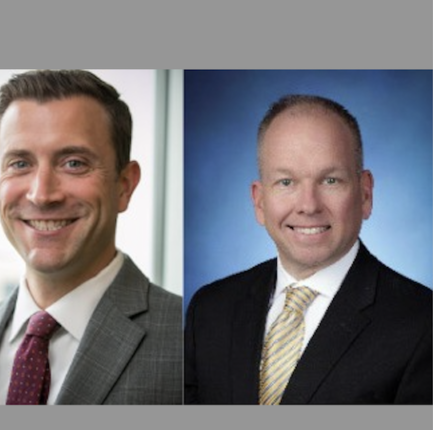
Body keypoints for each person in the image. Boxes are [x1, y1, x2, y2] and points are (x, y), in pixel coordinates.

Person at [0, 70, 182, 405]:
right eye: (19, 164)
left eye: (73, 163)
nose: (42, 194)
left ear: (124, 185)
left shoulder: (188, 340)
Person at [185, 94, 432, 404]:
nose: (308, 206)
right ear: (259, 201)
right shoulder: (209, 310)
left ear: (365, 194)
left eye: (330, 180)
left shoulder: (423, 324)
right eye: (286, 182)